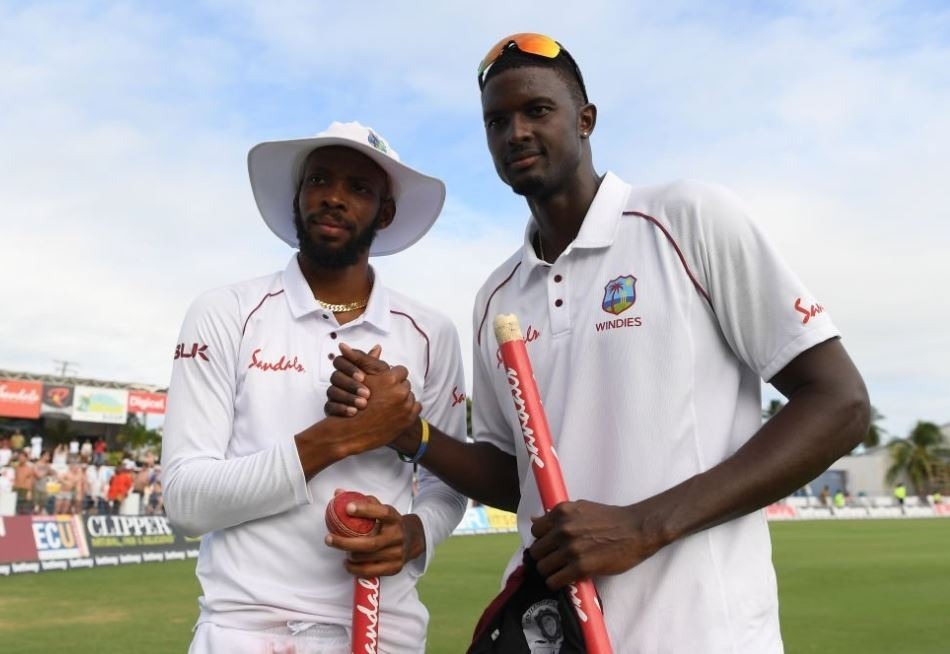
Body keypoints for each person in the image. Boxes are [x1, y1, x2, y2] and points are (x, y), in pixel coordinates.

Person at [326, 33, 870, 652]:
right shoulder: (496, 297)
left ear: (585, 120)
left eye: (537, 111)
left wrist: (643, 525)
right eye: (497, 121)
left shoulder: (686, 219)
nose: (516, 133)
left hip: (704, 633)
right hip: (555, 634)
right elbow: (517, 478)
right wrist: (410, 433)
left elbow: (840, 402)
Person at [161, 121, 468, 654]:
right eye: (319, 180)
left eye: (358, 188)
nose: (333, 197)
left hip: (383, 627)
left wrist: (416, 533)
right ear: (297, 197)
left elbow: (447, 484)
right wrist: (340, 438)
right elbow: (187, 502)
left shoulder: (430, 333)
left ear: (385, 213)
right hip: (247, 630)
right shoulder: (226, 311)